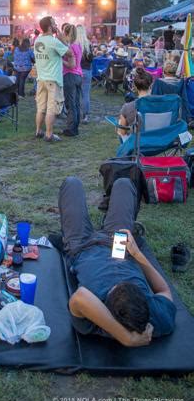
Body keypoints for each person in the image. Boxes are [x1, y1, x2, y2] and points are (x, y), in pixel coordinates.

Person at [58, 176, 176, 346]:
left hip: (81, 248)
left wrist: (126, 338)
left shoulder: (97, 319)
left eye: (114, 288)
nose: (117, 282)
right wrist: (137, 253)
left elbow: (79, 298)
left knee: (72, 183)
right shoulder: (156, 317)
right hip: (118, 249)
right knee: (124, 183)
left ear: (110, 310)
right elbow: (164, 290)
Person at [34, 16, 68, 142]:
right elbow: (69, 53)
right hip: (53, 79)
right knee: (51, 109)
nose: (56, 25)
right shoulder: (53, 41)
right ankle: (49, 134)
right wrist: (63, 40)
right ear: (49, 26)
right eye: (54, 23)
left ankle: (38, 131)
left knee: (40, 107)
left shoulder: (38, 40)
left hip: (41, 78)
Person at [117, 68, 153, 140]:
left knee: (120, 128)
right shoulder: (162, 104)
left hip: (138, 144)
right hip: (158, 143)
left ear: (135, 87)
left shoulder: (127, 107)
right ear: (151, 85)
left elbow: (122, 133)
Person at [62, 24, 83, 137]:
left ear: (66, 33)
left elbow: (71, 65)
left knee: (70, 104)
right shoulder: (78, 45)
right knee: (76, 103)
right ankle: (75, 127)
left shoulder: (69, 47)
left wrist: (61, 60)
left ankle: (71, 129)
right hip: (78, 76)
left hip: (70, 75)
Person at [76, 26, 93, 124]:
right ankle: (85, 116)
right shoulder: (88, 44)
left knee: (76, 94)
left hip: (76, 71)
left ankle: (76, 114)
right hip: (86, 70)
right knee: (85, 94)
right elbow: (91, 59)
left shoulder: (73, 44)